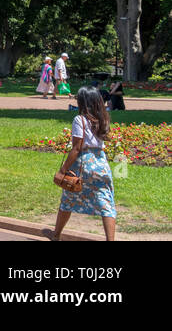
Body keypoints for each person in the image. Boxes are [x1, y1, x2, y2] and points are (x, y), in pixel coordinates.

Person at [51, 86, 117, 242]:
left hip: (83, 163)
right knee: (106, 203)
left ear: (83, 102)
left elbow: (77, 147)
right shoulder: (104, 118)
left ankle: (56, 235)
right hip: (101, 163)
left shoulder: (79, 119)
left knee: (68, 199)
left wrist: (63, 169)